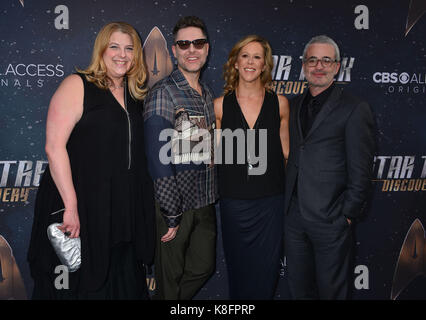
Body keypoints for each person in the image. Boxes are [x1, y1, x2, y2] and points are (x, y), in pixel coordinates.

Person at [27, 22, 155, 299]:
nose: (122, 55)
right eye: (115, 47)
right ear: (102, 50)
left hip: (118, 210)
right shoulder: (78, 85)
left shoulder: (135, 96)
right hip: (81, 203)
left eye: (129, 48)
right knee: (80, 286)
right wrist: (71, 207)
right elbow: (54, 147)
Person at [284, 35, 375, 299]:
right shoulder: (292, 105)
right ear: (303, 65)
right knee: (299, 291)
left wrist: (347, 214)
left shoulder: (355, 108)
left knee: (332, 292)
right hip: (293, 218)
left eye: (326, 60)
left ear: (337, 66)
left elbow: (362, 169)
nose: (319, 66)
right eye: (312, 60)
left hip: (331, 219)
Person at [143, 16, 218, 300]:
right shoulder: (163, 92)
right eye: (184, 44)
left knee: (203, 266)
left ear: (207, 48)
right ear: (174, 51)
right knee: (169, 279)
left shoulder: (207, 94)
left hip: (204, 201)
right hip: (174, 206)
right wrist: (171, 213)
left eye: (198, 43)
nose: (191, 49)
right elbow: (156, 158)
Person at [214, 35, 290, 299]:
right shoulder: (219, 106)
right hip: (234, 203)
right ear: (235, 62)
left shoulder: (279, 103)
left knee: (266, 273)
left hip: (271, 203)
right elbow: (212, 157)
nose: (250, 62)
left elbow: (287, 154)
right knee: (239, 271)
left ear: (264, 65)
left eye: (257, 57)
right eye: (244, 56)